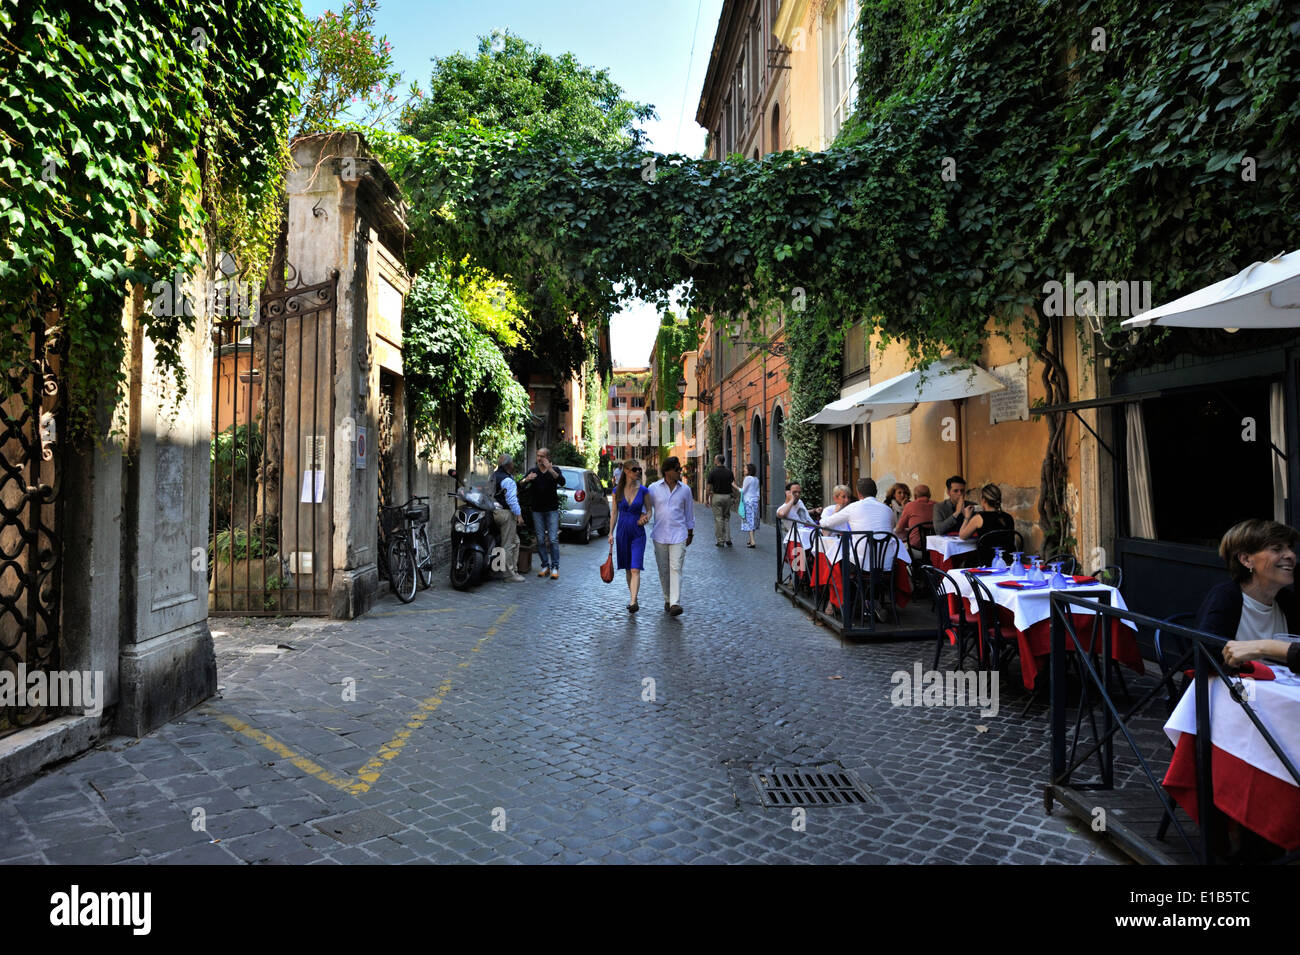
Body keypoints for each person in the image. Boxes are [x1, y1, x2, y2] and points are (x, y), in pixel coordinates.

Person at [1198, 520, 1300, 671]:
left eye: (1290, 548)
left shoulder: (1287, 600)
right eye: (1277, 549)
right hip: (1236, 690)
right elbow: (1207, 659)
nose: (1291, 555)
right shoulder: (1225, 597)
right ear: (1246, 560)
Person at [643, 456, 694, 615]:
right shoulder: (653, 488)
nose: (680, 472)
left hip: (679, 534)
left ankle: (675, 603)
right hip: (660, 535)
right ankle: (667, 598)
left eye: (680, 469)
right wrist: (643, 516)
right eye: (677, 469)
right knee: (663, 570)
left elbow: (689, 513)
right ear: (667, 471)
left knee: (676, 568)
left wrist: (690, 532)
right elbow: (646, 507)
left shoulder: (685, 490)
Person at [609, 459, 650, 613]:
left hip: (638, 532)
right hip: (622, 532)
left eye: (639, 469)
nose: (638, 472)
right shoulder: (616, 491)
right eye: (634, 469)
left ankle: (633, 602)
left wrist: (646, 517)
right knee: (628, 568)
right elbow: (614, 513)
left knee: (635, 568)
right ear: (626, 471)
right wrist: (610, 533)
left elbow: (650, 510)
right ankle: (634, 596)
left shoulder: (644, 490)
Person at [521, 447, 566, 579]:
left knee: (552, 539)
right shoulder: (533, 471)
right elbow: (520, 484)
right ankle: (545, 565)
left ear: (547, 457)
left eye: (542, 456)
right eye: (538, 456)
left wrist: (550, 469)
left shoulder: (555, 471)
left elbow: (562, 482)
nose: (539, 458)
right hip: (537, 511)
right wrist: (527, 479)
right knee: (540, 539)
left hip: (551, 510)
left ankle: (555, 567)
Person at [489, 453, 526, 583]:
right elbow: (512, 500)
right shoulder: (507, 480)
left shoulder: (493, 476)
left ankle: (508, 569)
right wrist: (519, 515)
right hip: (505, 514)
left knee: (515, 541)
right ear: (509, 465)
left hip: (493, 511)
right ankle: (509, 575)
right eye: (512, 463)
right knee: (508, 544)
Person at [819, 477, 895, 535]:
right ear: (876, 492)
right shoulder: (888, 509)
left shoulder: (853, 508)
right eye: (844, 497)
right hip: (886, 554)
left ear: (859, 494)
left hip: (861, 554)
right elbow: (891, 528)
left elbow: (824, 523)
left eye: (848, 497)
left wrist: (820, 521)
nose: (847, 500)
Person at [894, 484, 936, 558]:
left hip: (917, 549)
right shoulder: (937, 505)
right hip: (934, 548)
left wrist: (905, 509)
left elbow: (898, 529)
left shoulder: (910, 506)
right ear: (929, 495)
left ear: (915, 496)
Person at [705, 454, 736, 547]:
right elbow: (733, 485)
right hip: (727, 497)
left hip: (717, 496)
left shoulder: (713, 472)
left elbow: (708, 487)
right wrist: (734, 497)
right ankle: (728, 538)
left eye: (715, 459)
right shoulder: (729, 472)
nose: (714, 461)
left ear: (717, 461)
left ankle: (720, 540)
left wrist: (706, 499)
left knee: (718, 518)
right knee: (726, 517)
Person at [736, 462, 761, 547]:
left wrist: (734, 486)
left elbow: (743, 490)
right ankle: (750, 539)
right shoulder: (756, 479)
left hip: (748, 502)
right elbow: (757, 492)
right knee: (753, 521)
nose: (744, 470)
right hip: (755, 502)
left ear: (749, 470)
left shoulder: (747, 478)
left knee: (749, 521)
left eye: (745, 469)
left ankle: (753, 541)